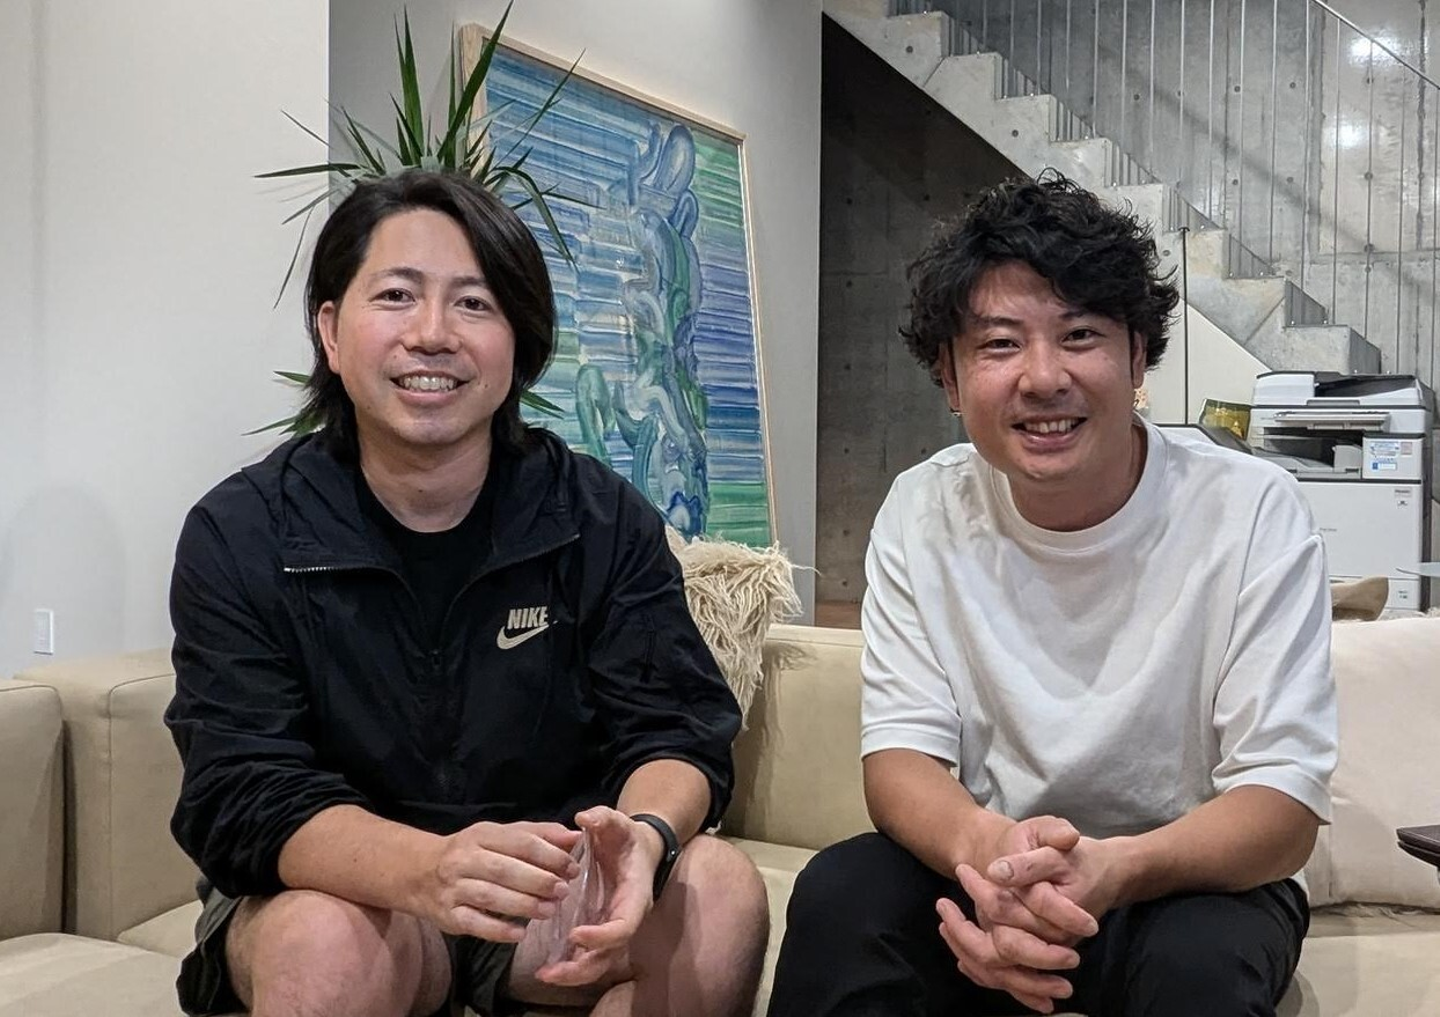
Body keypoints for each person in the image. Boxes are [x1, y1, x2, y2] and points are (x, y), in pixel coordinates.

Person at [165, 169, 768, 1017]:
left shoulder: (596, 517)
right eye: (396, 296)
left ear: (519, 342)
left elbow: (675, 726)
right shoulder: (243, 531)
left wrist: (645, 835)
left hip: (545, 886)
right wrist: (426, 868)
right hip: (345, 888)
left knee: (721, 889)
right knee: (323, 941)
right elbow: (242, 788)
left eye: (475, 304)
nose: (433, 334)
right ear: (331, 331)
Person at [767, 173, 1338, 1017]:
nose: (1042, 377)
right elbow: (900, 759)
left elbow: (1282, 803)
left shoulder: (1252, 510)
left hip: (1187, 879)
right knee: (841, 897)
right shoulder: (922, 510)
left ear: (1137, 357)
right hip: (992, 869)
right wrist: (991, 854)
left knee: (1200, 972)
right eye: (999, 344)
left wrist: (1118, 868)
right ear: (950, 378)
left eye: (1079, 335)